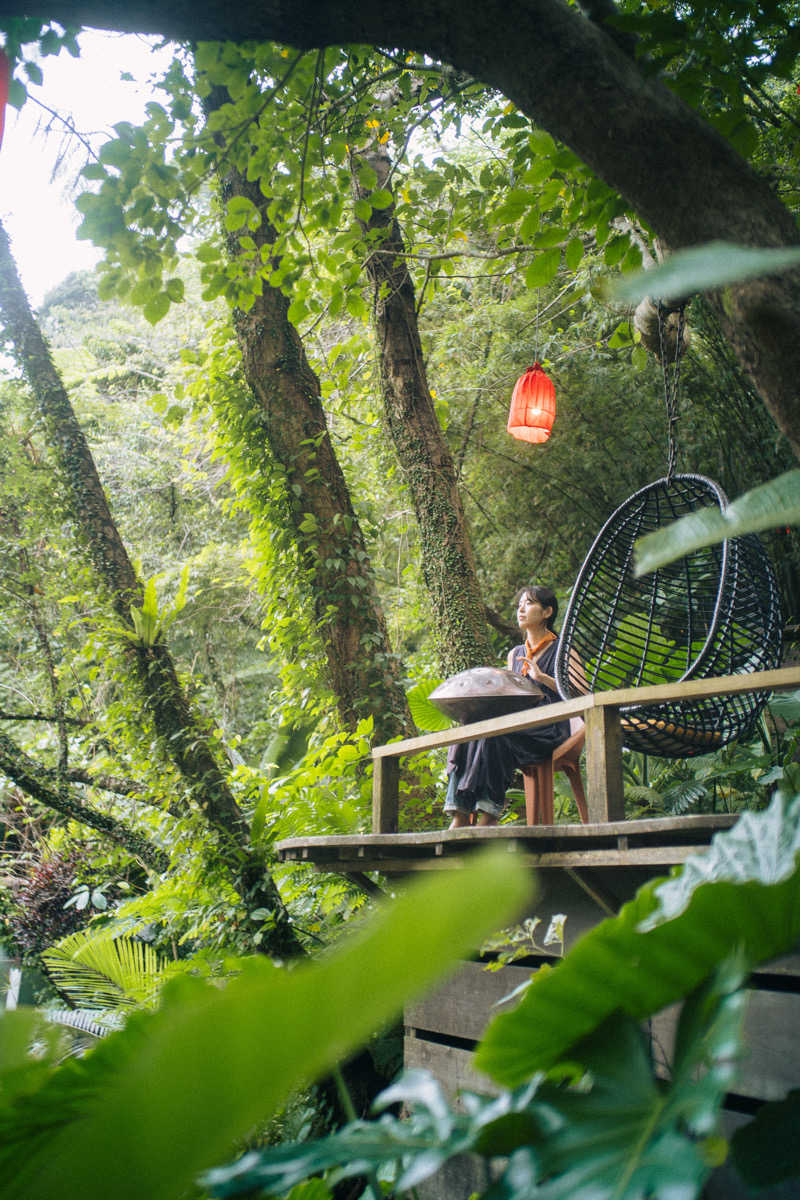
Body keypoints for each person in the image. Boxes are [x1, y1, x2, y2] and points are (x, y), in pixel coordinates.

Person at [443, 585, 571, 829]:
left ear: (547, 612)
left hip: (549, 727)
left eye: (529, 603)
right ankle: (459, 813)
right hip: (517, 723)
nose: (521, 609)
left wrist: (543, 678)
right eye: (519, 605)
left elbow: (581, 692)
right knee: (468, 726)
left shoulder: (563, 650)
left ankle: (489, 815)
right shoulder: (516, 653)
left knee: (497, 733)